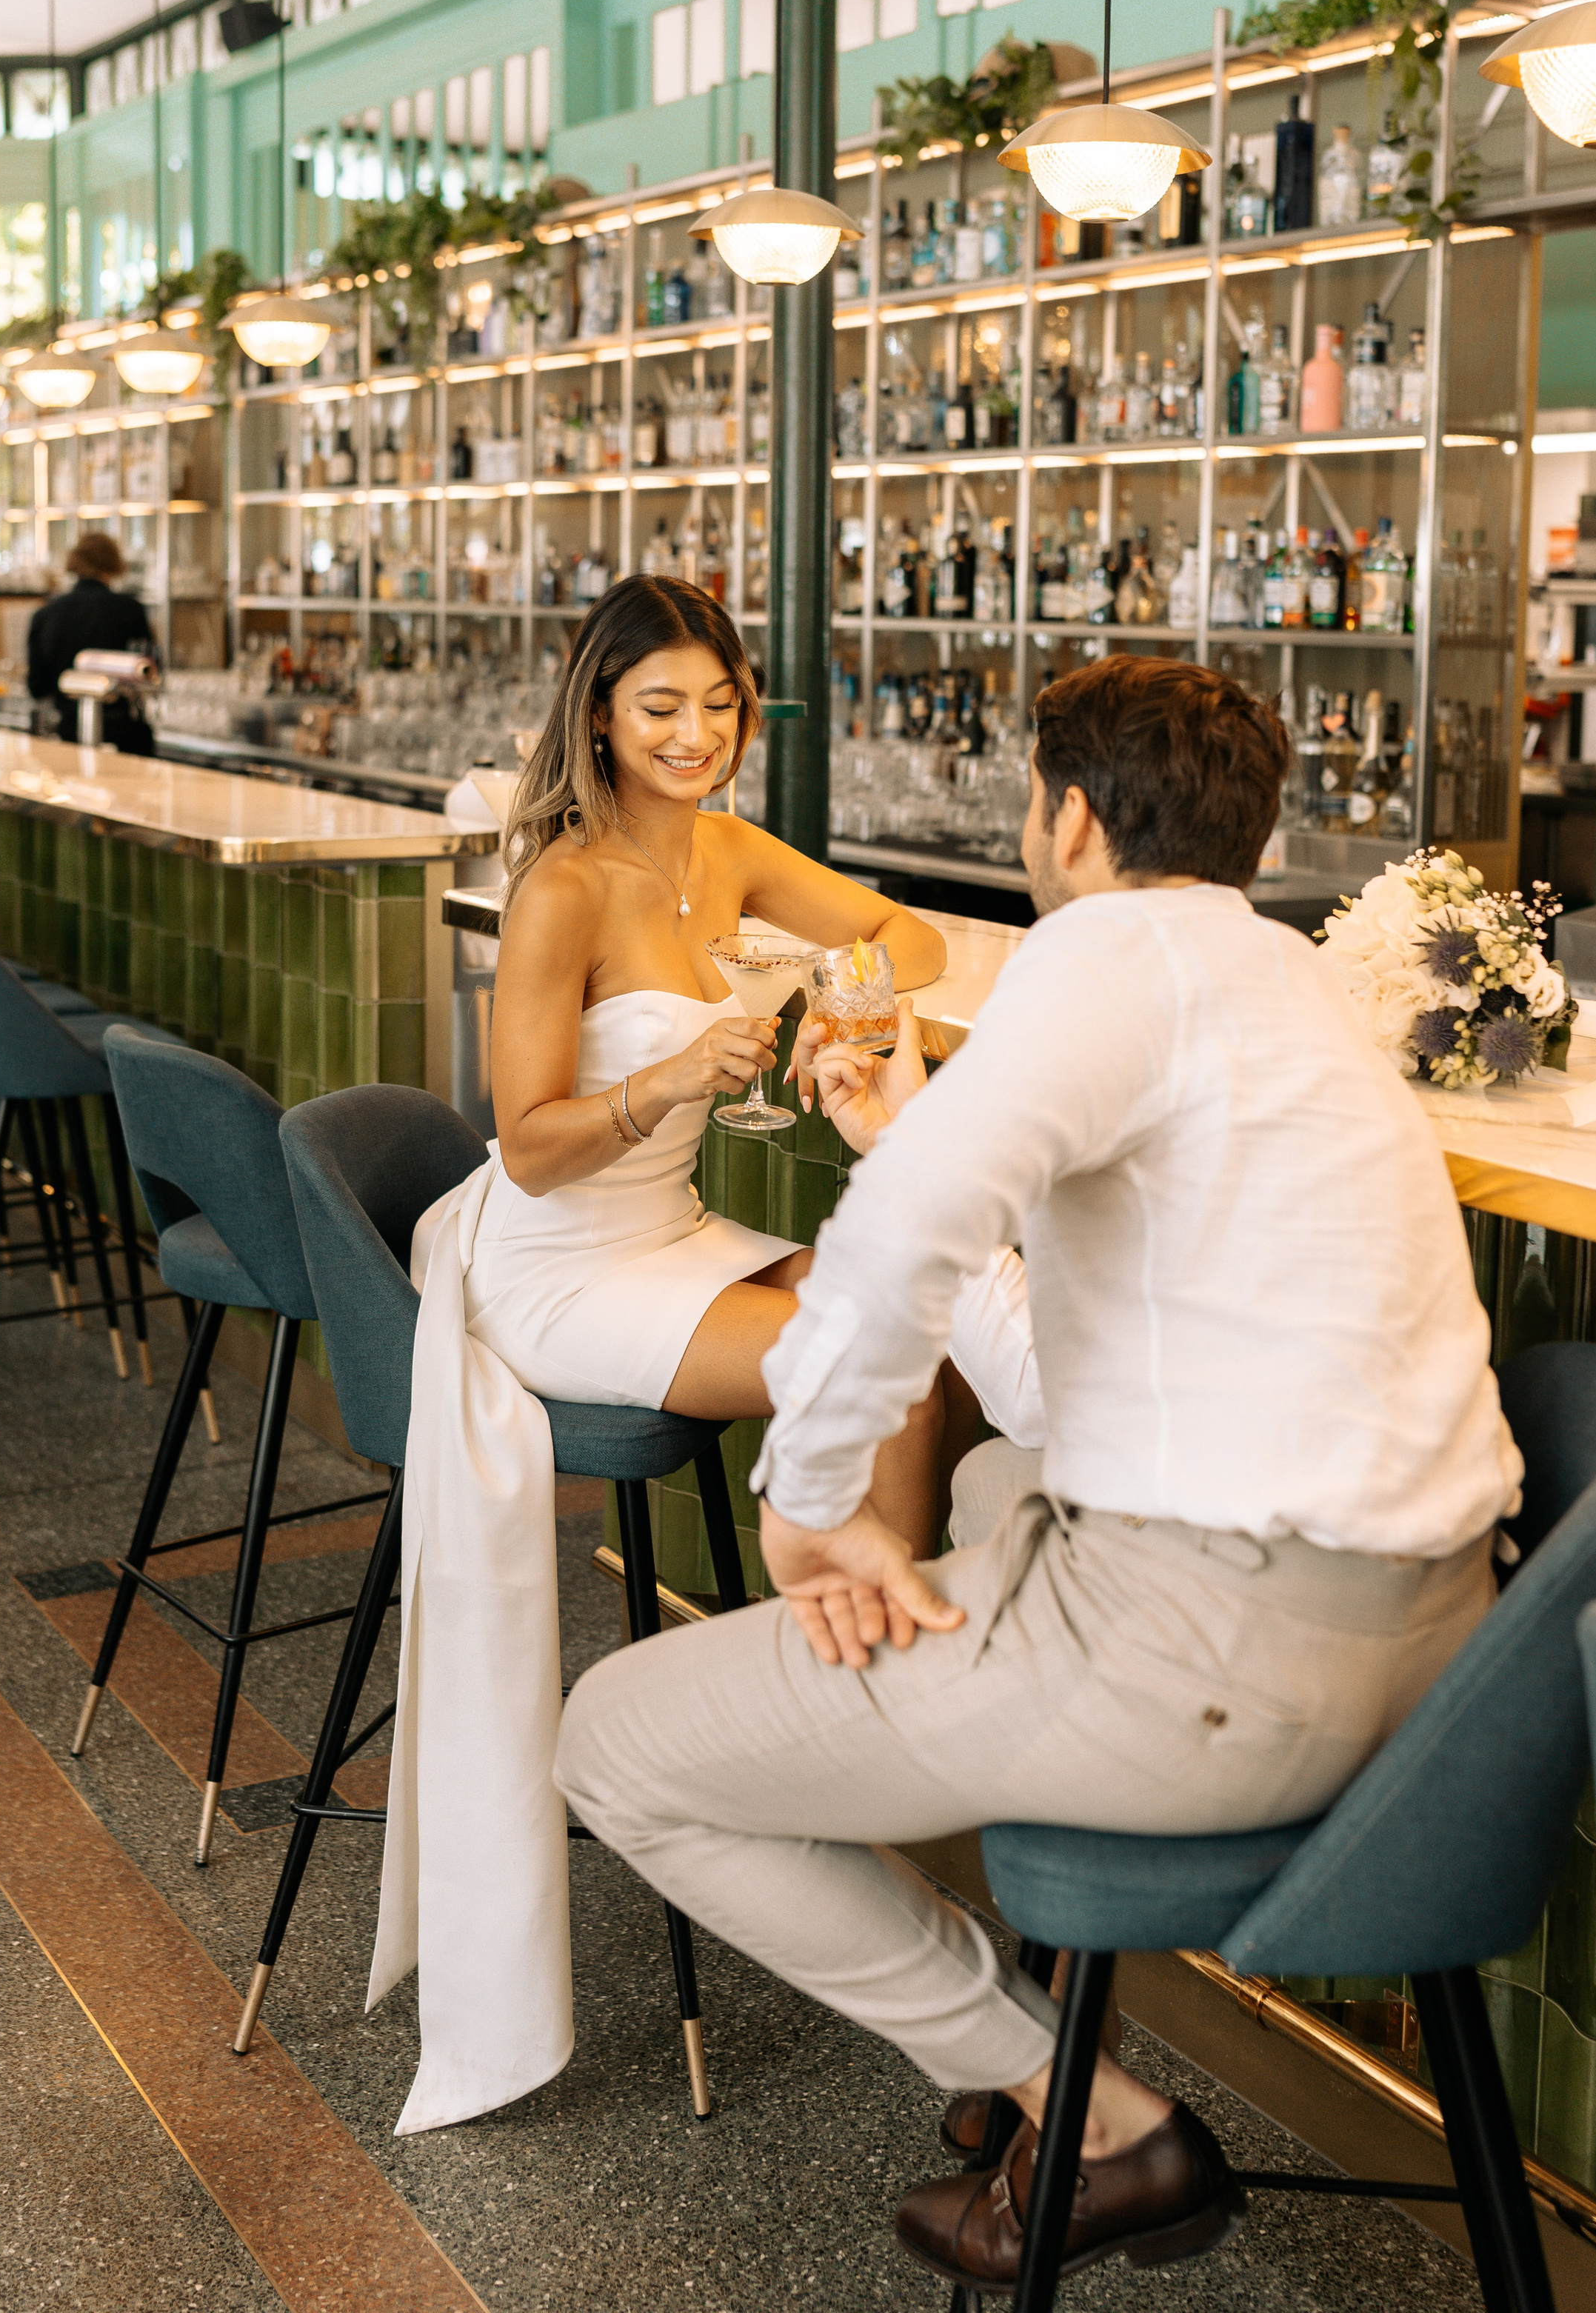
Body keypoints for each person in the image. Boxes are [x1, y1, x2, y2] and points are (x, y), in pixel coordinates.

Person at [555, 652, 1526, 2294]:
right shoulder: (1289, 984)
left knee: (612, 1743)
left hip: (1215, 1673)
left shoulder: (1094, 967)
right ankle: (1035, 2067)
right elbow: (1081, 1373)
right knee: (1008, 1487)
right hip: (1447, 1663)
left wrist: (804, 1507)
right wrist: (901, 1135)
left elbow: (903, 1246)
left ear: (1068, 817)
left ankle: (1077, 2114)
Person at [371, 574, 1025, 2134]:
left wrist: (829, 998)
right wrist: (675, 1074)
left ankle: (865, 1649)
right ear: (597, 709)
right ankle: (868, 1668)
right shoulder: (563, 889)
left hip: (671, 1239)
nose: (695, 735)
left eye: (719, 705)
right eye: (660, 706)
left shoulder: (722, 850)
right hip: (555, 1266)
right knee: (861, 1340)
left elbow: (907, 939)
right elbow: (527, 1149)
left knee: (910, 1321)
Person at [25, 533, 158, 753]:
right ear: (115, 564)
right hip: (124, 735)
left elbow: (37, 687)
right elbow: (148, 674)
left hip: (68, 732)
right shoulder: (130, 610)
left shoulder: (46, 614)